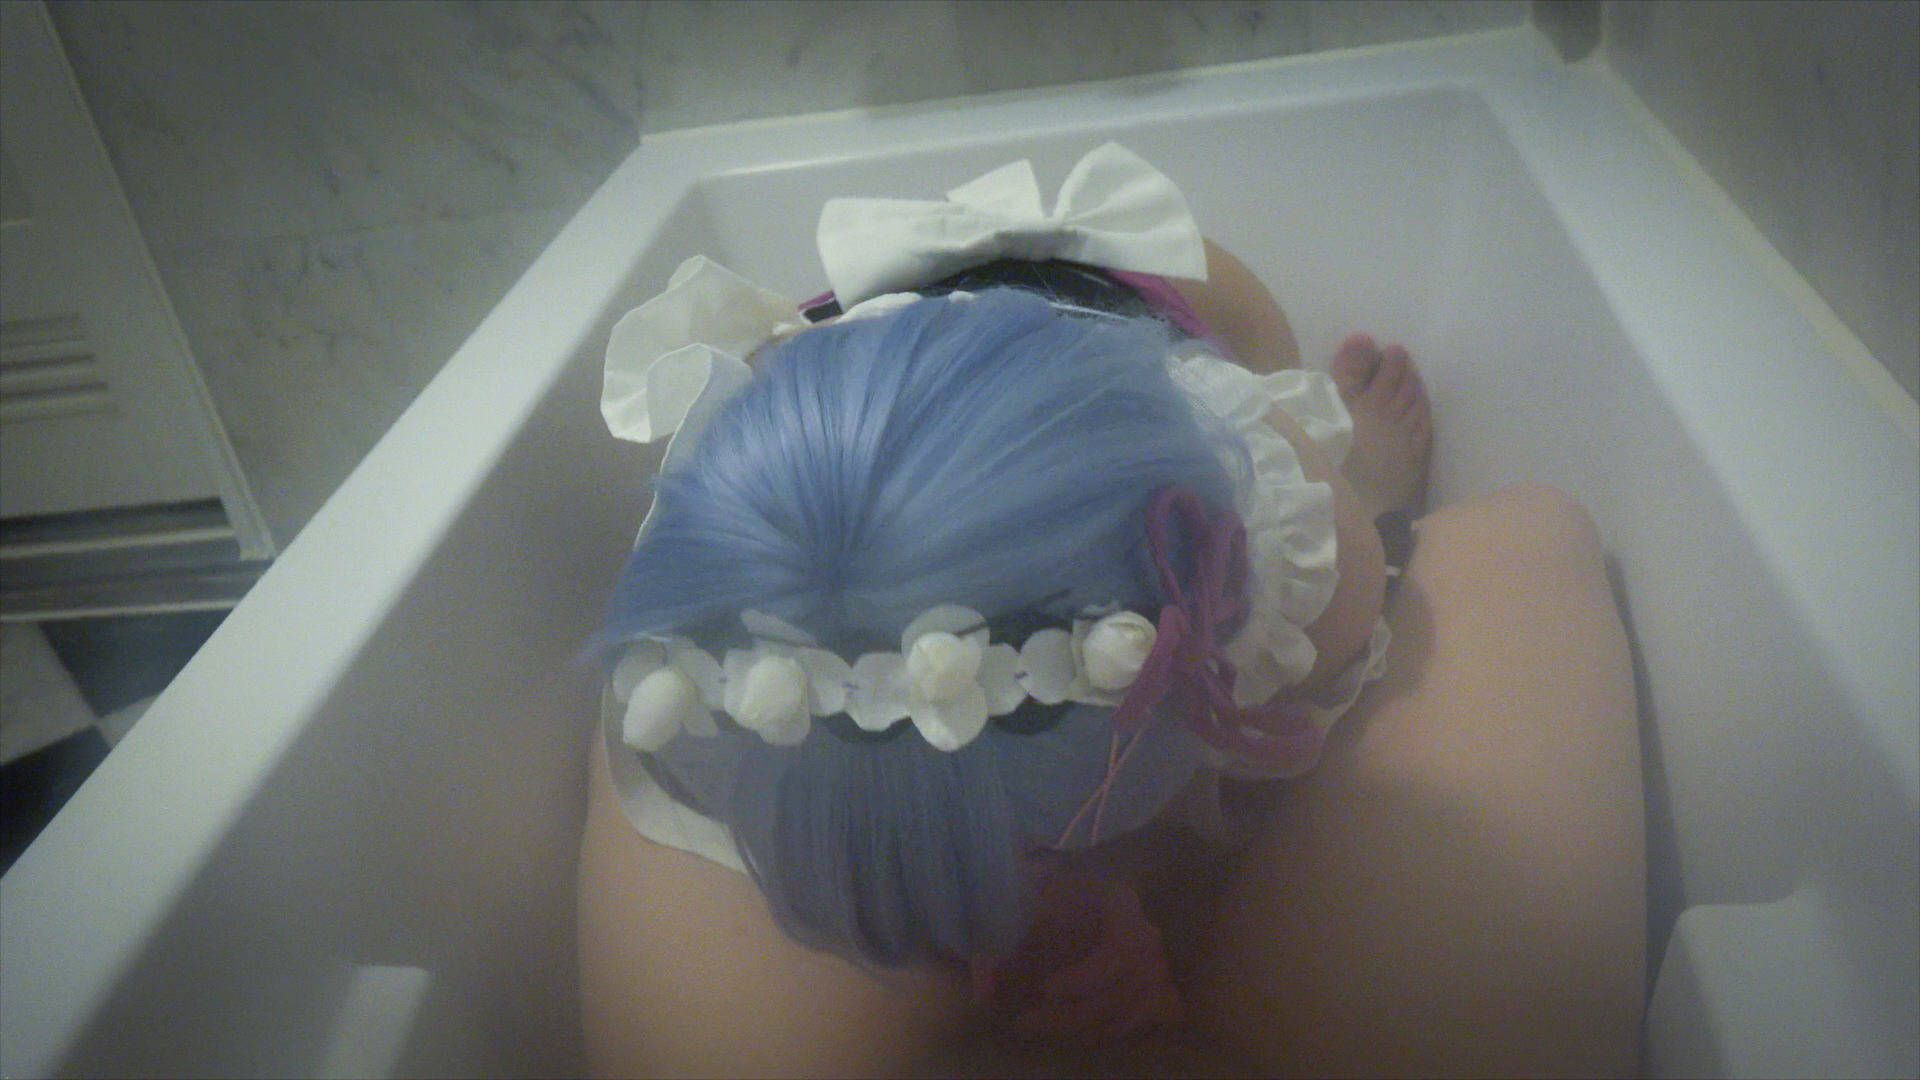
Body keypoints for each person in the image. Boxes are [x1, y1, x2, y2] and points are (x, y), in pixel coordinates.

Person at [576, 144, 1646, 1077]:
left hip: (1159, 318)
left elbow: (1277, 718)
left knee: (1361, 560)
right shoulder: (712, 661)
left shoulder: (1287, 527)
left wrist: (1161, 888)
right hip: (880, 423)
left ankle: (1361, 469)